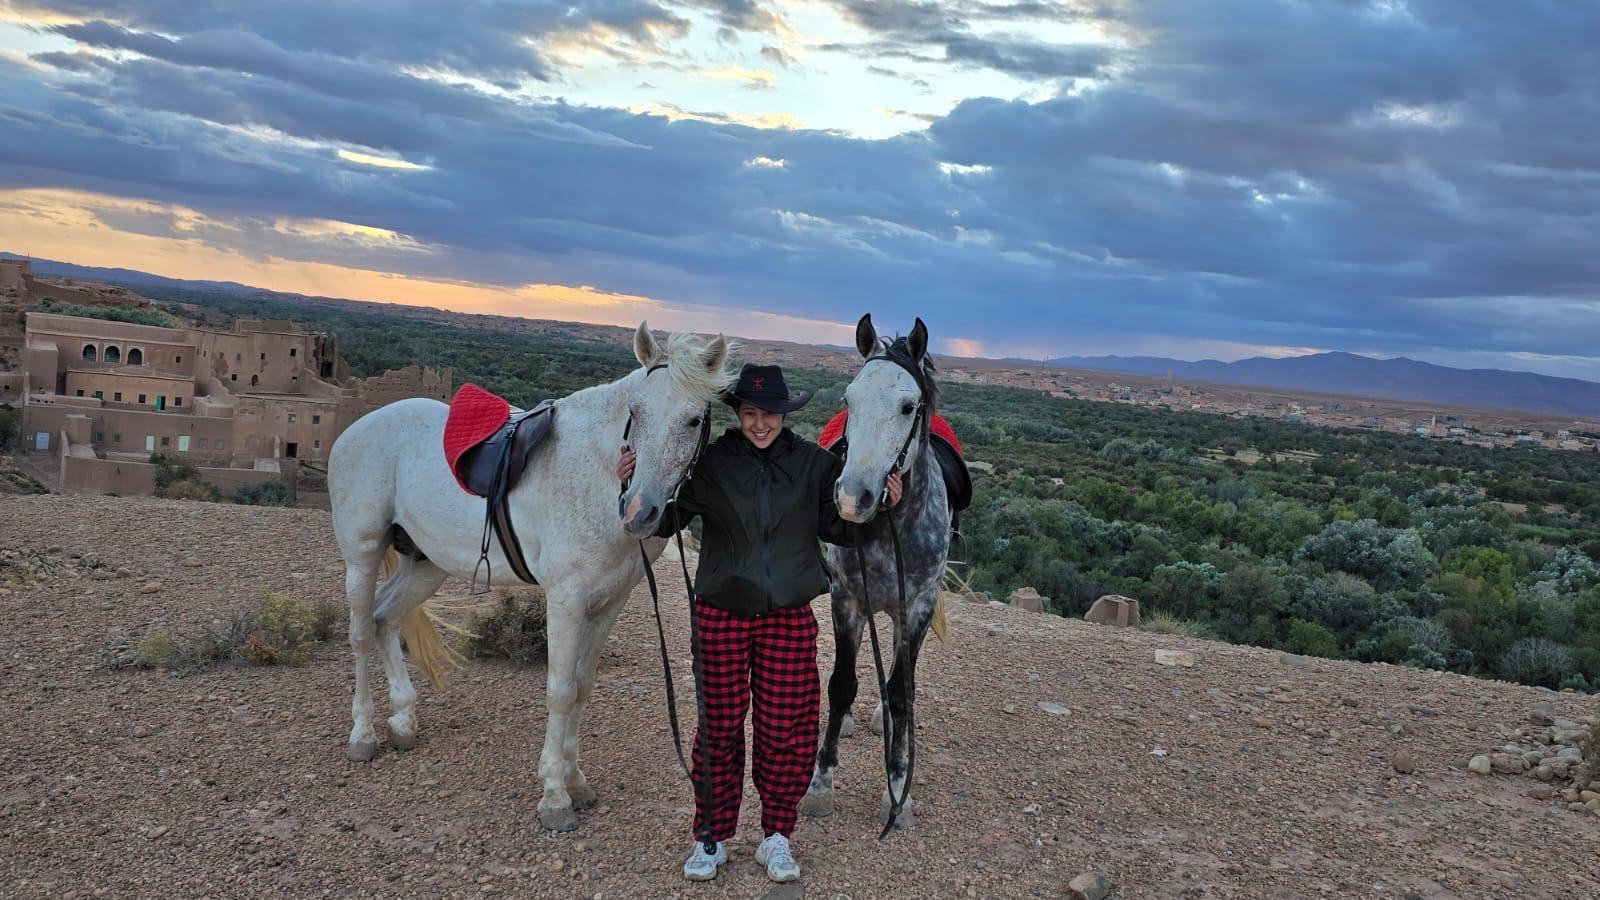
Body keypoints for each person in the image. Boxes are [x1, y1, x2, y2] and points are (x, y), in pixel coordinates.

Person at [617, 362, 901, 884]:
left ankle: (776, 836)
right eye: (750, 413)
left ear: (784, 414)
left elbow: (842, 531)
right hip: (720, 614)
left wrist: (882, 509)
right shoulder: (711, 462)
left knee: (785, 730)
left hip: (788, 617)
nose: (760, 423)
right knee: (718, 729)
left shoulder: (815, 465)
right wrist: (637, 482)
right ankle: (712, 835)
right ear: (739, 414)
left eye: (769, 413)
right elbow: (669, 519)